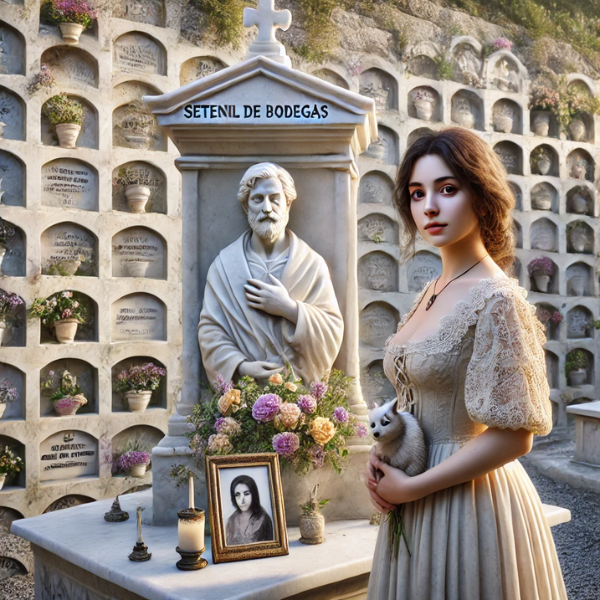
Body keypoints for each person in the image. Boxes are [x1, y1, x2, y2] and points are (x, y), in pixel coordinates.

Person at [365, 128, 567, 600]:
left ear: (481, 194)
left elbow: (517, 435)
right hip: (411, 496)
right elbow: (417, 395)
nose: (429, 207)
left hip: (470, 505)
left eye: (447, 189)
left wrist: (413, 488)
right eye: (418, 194)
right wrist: (384, 456)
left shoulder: (498, 299)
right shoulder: (429, 292)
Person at [197, 162, 343, 386]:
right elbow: (210, 331)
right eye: (257, 199)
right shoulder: (224, 266)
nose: (267, 208)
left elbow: (331, 330)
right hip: (244, 398)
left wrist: (289, 308)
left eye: (275, 199)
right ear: (246, 207)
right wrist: (241, 366)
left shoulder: (312, 265)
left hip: (297, 395)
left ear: (288, 204)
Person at [225, 475, 274, 546]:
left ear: (253, 495)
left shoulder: (264, 519)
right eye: (237, 495)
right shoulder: (231, 521)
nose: (242, 500)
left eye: (246, 494)